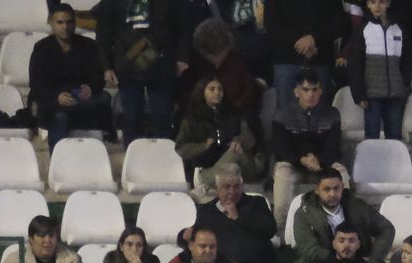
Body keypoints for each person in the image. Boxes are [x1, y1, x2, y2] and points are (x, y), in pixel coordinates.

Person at [269, 68, 347, 223]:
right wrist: (301, 160)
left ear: (320, 91)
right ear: (296, 92)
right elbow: (281, 148)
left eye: (314, 90)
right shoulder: (282, 114)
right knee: (282, 173)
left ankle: (344, 222)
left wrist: (319, 161)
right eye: (305, 90)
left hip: (321, 165)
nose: (310, 94)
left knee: (341, 172)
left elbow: (333, 147)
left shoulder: (332, 114)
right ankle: (281, 226)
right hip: (293, 163)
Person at [29, 4, 113, 148]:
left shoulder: (89, 46)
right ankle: (58, 160)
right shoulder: (41, 48)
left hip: (81, 101)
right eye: (60, 22)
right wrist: (57, 98)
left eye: (69, 22)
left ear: (74, 23)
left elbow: (98, 78)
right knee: (60, 116)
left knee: (104, 97)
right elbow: (37, 84)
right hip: (54, 103)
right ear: (51, 23)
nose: (65, 27)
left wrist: (90, 89)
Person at [95, 0, 177, 145]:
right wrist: (107, 67)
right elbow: (103, 35)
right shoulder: (110, 3)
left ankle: (164, 158)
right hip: (128, 65)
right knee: (131, 116)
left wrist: (182, 57)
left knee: (162, 115)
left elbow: (181, 27)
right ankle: (132, 157)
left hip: (161, 65)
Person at [175, 76, 266, 190]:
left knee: (235, 153)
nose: (217, 92)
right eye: (212, 89)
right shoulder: (192, 118)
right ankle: (206, 181)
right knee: (233, 154)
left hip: (238, 165)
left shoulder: (233, 112)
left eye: (220, 89)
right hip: (207, 169)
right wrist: (204, 146)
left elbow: (250, 139)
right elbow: (181, 148)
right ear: (202, 92)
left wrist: (239, 139)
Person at [292, 170, 395, 263]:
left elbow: (386, 228)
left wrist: (374, 258)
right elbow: (307, 249)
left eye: (336, 188)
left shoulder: (357, 206)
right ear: (317, 190)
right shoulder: (304, 214)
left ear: (343, 186)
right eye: (327, 189)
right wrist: (337, 260)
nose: (332, 194)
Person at [347, 0, 412, 140]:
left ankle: (395, 162)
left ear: (388, 4)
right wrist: (359, 94)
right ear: (368, 5)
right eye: (373, 2)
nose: (377, 6)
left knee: (394, 136)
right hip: (372, 95)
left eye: (381, 2)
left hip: (395, 95)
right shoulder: (363, 28)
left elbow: (407, 59)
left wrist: (404, 82)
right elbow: (355, 64)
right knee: (372, 136)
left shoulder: (399, 28)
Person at [193, 167, 278, 263]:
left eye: (236, 187)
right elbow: (194, 239)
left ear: (242, 187)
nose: (232, 191)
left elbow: (270, 229)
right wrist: (182, 235)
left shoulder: (256, 203)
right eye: (227, 187)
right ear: (217, 189)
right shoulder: (206, 211)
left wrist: (238, 218)